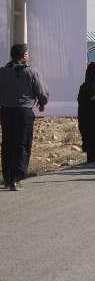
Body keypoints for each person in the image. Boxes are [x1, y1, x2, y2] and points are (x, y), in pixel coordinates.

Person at [0, 44, 49, 190]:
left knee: (7, 144)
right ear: (24, 56)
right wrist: (42, 102)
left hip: (6, 112)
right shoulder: (31, 72)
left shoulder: (2, 72)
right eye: (27, 54)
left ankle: (8, 178)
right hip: (24, 113)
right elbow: (42, 92)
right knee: (22, 144)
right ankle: (17, 177)